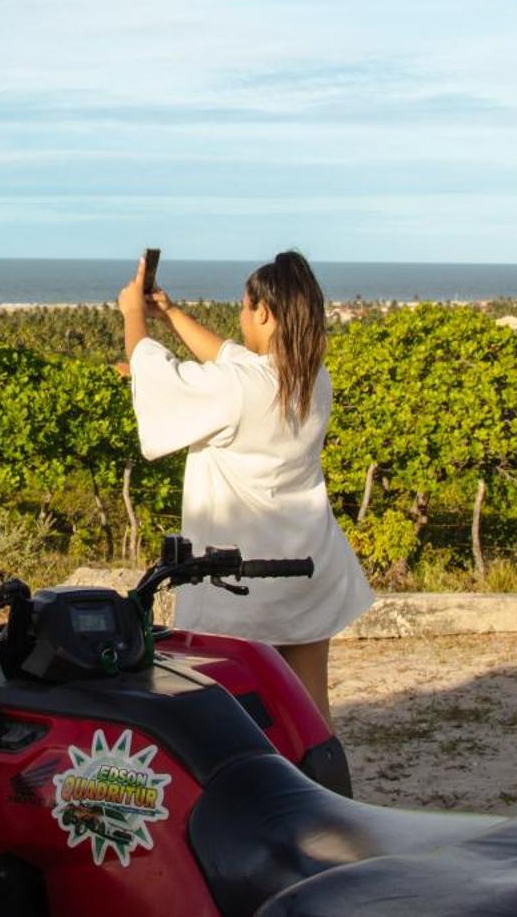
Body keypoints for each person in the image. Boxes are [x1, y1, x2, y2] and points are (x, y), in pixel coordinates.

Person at [117, 250, 372, 725]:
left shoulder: (238, 388)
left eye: (243, 307)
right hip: (308, 568)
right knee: (311, 716)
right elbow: (230, 356)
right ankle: (325, 790)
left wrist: (134, 315)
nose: (240, 316)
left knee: (232, 718)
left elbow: (154, 371)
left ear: (264, 312)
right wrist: (170, 313)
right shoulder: (313, 379)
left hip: (241, 584)